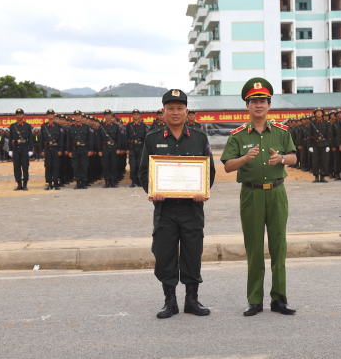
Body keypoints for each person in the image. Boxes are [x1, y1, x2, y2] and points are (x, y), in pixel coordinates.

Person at [221, 77, 297, 316]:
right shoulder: (238, 135)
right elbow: (227, 166)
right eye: (253, 101)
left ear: (269, 105)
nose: (258, 105)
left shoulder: (282, 132)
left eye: (263, 101)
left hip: (276, 193)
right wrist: (245, 159)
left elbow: (294, 158)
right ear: (247, 106)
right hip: (251, 195)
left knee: (278, 246)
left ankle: (279, 299)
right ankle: (255, 300)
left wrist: (281, 159)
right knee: (254, 248)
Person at [138, 89, 215, 319]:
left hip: (192, 209)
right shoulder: (152, 138)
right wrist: (153, 191)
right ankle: (169, 301)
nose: (175, 112)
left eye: (179, 108)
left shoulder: (200, 137)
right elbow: (144, 172)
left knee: (193, 253)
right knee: (165, 254)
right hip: (166, 210)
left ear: (186, 111)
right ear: (163, 112)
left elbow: (208, 171)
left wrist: (203, 191)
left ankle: (192, 300)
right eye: (170, 108)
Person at [67, 110, 94, 190]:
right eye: (76, 116)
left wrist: (90, 150)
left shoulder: (87, 127)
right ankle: (78, 182)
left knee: (84, 166)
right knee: (76, 166)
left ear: (81, 117)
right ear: (74, 117)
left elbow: (90, 139)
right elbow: (68, 140)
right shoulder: (70, 128)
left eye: (79, 116)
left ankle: (84, 182)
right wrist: (69, 151)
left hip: (84, 148)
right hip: (75, 150)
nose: (77, 117)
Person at [8, 109, 34, 191]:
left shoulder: (27, 126)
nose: (19, 116)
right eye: (17, 114)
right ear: (16, 116)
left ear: (23, 115)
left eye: (20, 114)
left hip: (24, 148)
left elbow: (30, 138)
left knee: (25, 167)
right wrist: (10, 149)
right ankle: (19, 184)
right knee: (16, 167)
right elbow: (10, 139)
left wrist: (31, 149)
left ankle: (25, 184)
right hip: (16, 149)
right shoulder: (12, 126)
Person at [40, 109, 65, 190]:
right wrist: (42, 150)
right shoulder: (44, 126)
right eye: (49, 114)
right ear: (47, 116)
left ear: (54, 115)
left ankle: (56, 183)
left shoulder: (58, 126)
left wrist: (60, 150)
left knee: (56, 166)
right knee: (48, 166)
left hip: (55, 148)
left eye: (52, 114)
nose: (50, 115)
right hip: (47, 149)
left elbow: (61, 139)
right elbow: (41, 139)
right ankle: (49, 183)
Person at [98, 110, 123, 188]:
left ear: (111, 116)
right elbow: (98, 140)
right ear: (104, 117)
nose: (108, 117)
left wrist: (119, 148)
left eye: (109, 115)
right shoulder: (101, 127)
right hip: (105, 149)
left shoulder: (116, 126)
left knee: (113, 165)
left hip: (114, 148)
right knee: (106, 166)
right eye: (106, 115)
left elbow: (119, 138)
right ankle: (107, 181)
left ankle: (113, 181)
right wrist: (99, 150)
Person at [126, 109, 150, 188]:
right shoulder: (129, 125)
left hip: (141, 147)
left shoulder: (143, 125)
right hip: (132, 147)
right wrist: (127, 149)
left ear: (139, 116)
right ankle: (133, 181)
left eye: (137, 114)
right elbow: (126, 138)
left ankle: (140, 181)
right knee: (133, 165)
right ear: (132, 116)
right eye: (134, 114)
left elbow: (146, 138)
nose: (136, 116)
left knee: (140, 164)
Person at [307, 107, 332, 183]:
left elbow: (328, 135)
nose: (319, 113)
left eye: (320, 112)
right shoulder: (312, 123)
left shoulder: (326, 123)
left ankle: (323, 176)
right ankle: (316, 176)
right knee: (315, 161)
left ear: (322, 114)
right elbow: (309, 135)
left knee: (324, 161)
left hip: (324, 143)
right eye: (317, 112)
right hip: (315, 144)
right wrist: (310, 146)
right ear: (315, 114)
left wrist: (328, 145)